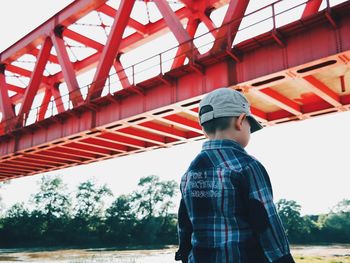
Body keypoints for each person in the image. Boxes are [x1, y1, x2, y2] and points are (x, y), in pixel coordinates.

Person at [175, 88, 295, 263]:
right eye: (249, 126)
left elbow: (184, 224)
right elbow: (266, 224)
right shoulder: (247, 166)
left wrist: (185, 255)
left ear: (204, 130)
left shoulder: (189, 173)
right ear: (240, 121)